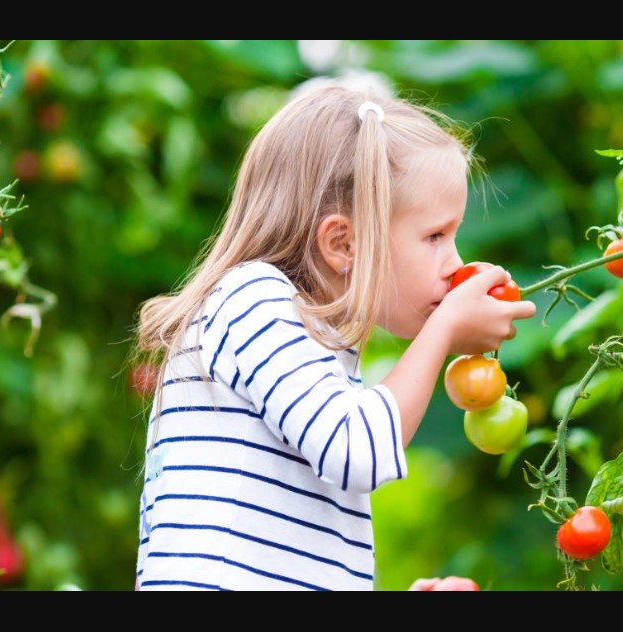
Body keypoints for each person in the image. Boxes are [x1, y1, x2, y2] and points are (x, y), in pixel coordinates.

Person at [132, 81, 536, 591]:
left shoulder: (313, 343)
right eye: (434, 236)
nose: (454, 263)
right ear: (343, 243)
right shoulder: (253, 300)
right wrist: (444, 328)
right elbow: (354, 452)